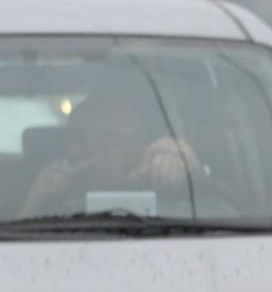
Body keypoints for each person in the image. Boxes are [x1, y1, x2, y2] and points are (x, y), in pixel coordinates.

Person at [22, 90, 214, 216]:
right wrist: (36, 200)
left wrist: (193, 176)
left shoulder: (170, 185)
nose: (135, 149)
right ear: (78, 150)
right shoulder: (50, 202)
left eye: (138, 136)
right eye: (114, 140)